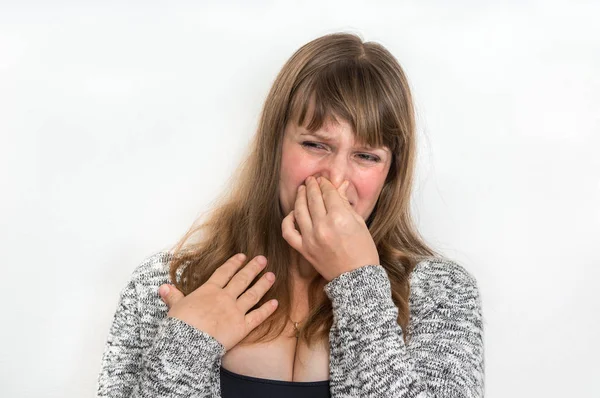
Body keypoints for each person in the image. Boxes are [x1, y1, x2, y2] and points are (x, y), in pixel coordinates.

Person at [96, 32, 485, 397]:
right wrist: (186, 346)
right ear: (275, 146)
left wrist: (359, 285)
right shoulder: (170, 283)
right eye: (316, 145)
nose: (335, 179)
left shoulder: (438, 293)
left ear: (390, 174)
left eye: (366, 156)